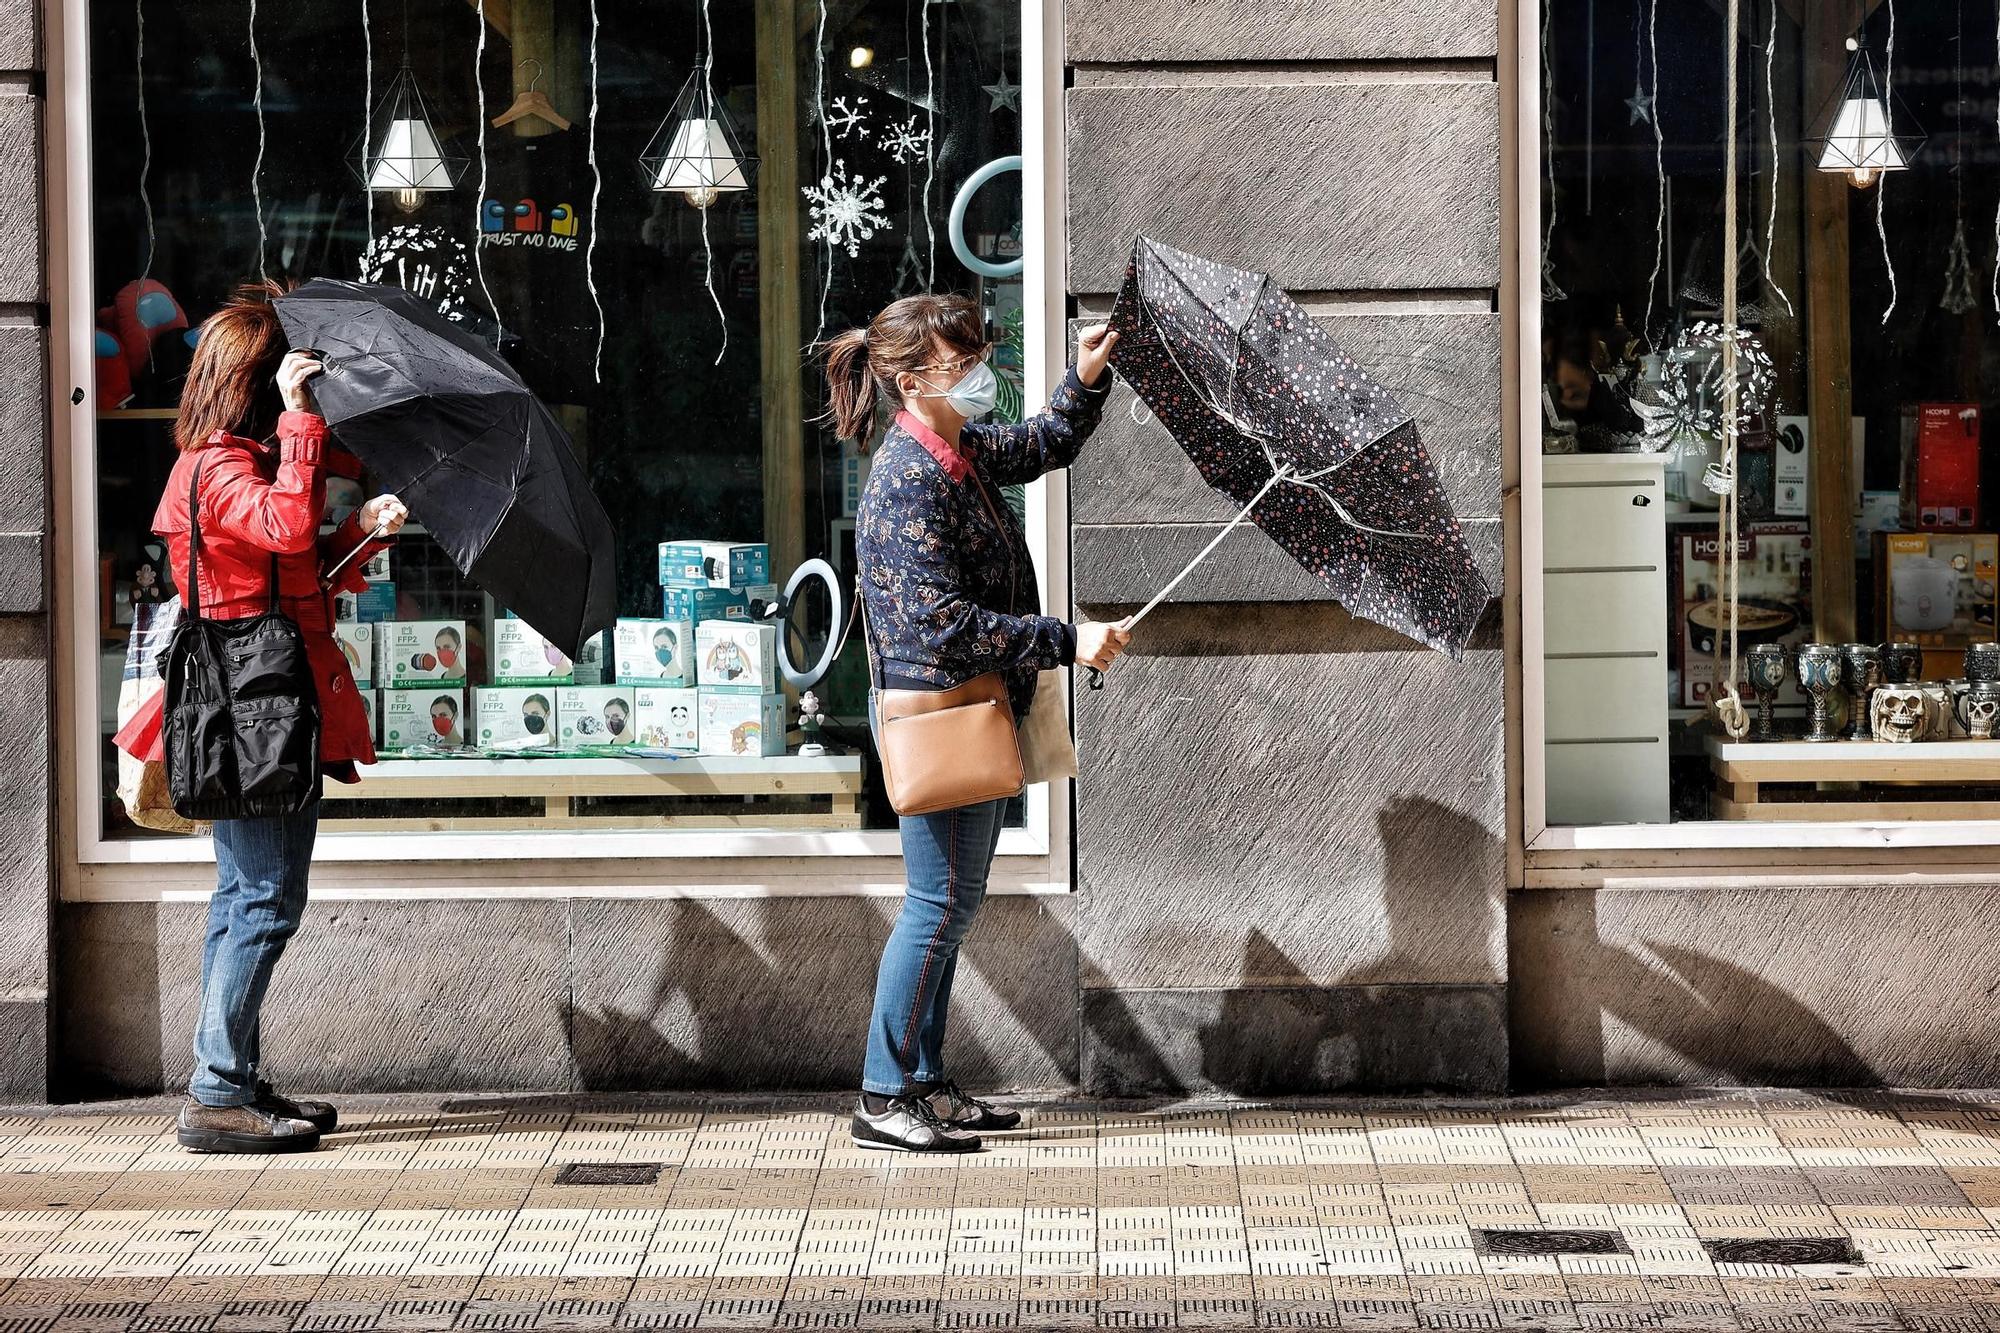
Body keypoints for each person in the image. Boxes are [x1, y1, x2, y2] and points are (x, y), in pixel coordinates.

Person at [824, 293, 1128, 1153]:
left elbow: (1041, 443)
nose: (981, 375)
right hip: (943, 712)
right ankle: (883, 1095)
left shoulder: (954, 449)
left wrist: (1086, 377)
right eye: (964, 365)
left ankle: (921, 1081)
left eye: (979, 355)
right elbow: (943, 626)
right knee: (936, 907)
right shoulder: (906, 479)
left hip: (976, 708)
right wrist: (1068, 639)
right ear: (913, 380)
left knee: (951, 907)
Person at [112, 281, 408, 1153]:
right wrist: (301, 422)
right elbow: (281, 530)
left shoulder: (233, 463)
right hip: (249, 712)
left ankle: (229, 1073)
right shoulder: (214, 468)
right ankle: (215, 1093)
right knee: (265, 900)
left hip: (265, 702)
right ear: (255, 381)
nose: (305, 382)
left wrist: (364, 535)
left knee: (244, 895)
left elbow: (295, 573)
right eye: (288, 371)